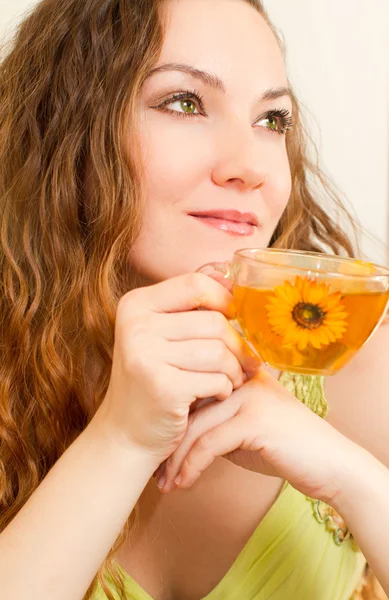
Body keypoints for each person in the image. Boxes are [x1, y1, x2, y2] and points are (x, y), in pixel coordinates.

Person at [0, 0, 388, 599]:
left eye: (272, 120)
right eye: (184, 103)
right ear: (67, 133)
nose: (251, 166)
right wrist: (121, 439)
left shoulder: (358, 359)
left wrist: (356, 482)